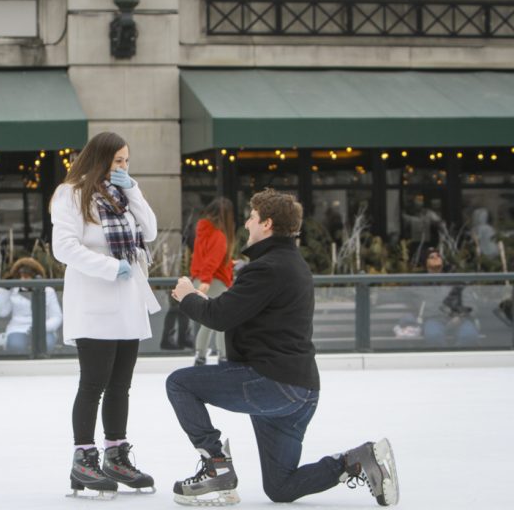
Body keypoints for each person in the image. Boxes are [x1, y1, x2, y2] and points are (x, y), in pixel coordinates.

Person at [167, 188, 399, 507]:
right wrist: (205, 301)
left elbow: (218, 317)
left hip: (273, 384)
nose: (246, 224)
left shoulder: (267, 268)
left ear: (267, 224)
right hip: (300, 391)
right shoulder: (289, 264)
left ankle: (216, 466)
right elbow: (237, 311)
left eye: (251, 218)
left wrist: (187, 295)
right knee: (281, 487)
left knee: (179, 384)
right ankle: (357, 461)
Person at [51, 131, 159, 497]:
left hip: (127, 302)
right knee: (94, 381)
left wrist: (134, 189)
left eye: (127, 161)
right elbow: (64, 247)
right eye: (118, 162)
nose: (123, 167)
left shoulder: (123, 195)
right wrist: (109, 268)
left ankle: (116, 454)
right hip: (94, 300)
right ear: (100, 159)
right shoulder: (71, 194)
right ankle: (83, 458)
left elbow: (151, 230)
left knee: (120, 385)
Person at [190, 197, 235, 365]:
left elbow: (204, 257)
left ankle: (200, 355)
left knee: (209, 322)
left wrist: (229, 264)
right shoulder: (218, 235)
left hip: (201, 279)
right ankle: (223, 355)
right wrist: (207, 280)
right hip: (212, 282)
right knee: (223, 321)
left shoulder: (203, 232)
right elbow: (212, 260)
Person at [0, 257, 62, 354]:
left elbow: (56, 316)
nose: (24, 279)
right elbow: (0, 312)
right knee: (16, 346)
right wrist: (4, 290)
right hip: (18, 328)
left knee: (47, 345)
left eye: (28, 276)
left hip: (44, 329)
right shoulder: (13, 290)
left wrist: (44, 327)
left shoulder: (47, 290)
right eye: (22, 275)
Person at [418, 248, 479, 347]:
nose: (436, 258)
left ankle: (459, 361)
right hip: (434, 320)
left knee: (469, 336)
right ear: (426, 262)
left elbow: (470, 302)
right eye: (431, 257)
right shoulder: (421, 283)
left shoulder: (455, 279)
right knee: (434, 336)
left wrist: (460, 316)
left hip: (460, 319)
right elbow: (421, 307)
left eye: (438, 256)